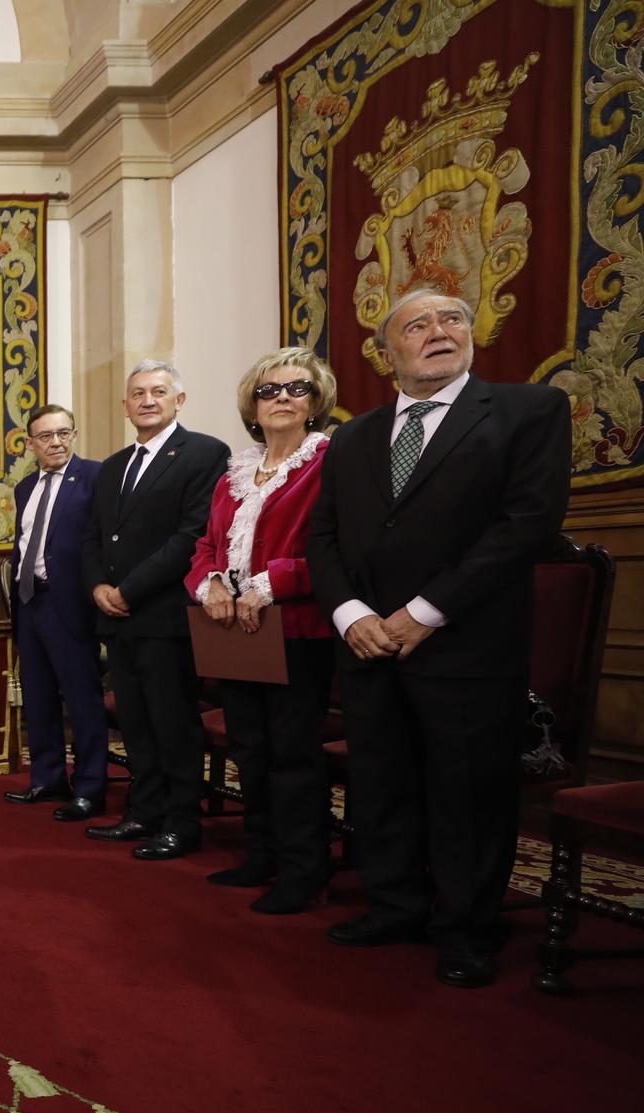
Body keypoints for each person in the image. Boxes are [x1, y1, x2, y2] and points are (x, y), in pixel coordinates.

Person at [306, 287, 569, 987]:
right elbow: (323, 535)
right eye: (416, 325)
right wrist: (351, 614)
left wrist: (422, 612)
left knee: (468, 794)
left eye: (452, 319)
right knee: (382, 783)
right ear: (387, 353)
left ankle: (465, 928)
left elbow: (527, 524)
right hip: (366, 643)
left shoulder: (526, 411)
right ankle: (394, 903)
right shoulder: (353, 435)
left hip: (466, 643)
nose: (439, 331)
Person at [184, 349, 337, 913]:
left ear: (315, 400)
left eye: (296, 388)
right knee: (249, 746)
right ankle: (262, 853)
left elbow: (335, 547)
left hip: (296, 628)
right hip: (233, 629)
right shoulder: (235, 474)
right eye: (269, 390)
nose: (281, 398)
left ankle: (303, 868)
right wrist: (213, 586)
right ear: (253, 403)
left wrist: (270, 585)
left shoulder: (327, 462)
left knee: (292, 753)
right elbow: (206, 546)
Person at [81, 360, 231, 860]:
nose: (147, 400)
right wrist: (99, 586)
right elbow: (96, 537)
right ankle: (143, 812)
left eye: (158, 392)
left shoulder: (204, 453)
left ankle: (181, 823)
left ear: (178, 400)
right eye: (138, 393)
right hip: (118, 619)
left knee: (173, 724)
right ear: (126, 406)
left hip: (165, 617)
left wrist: (130, 590)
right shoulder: (114, 465)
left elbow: (191, 536)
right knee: (136, 724)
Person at [3, 405, 108, 821]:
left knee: (82, 700)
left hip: (71, 604)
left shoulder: (96, 477)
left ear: (74, 434)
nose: (56, 442)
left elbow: (101, 541)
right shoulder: (25, 487)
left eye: (64, 433)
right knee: (39, 697)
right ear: (30, 444)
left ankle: (89, 787)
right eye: (46, 436)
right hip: (31, 602)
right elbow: (25, 542)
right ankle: (47, 778)